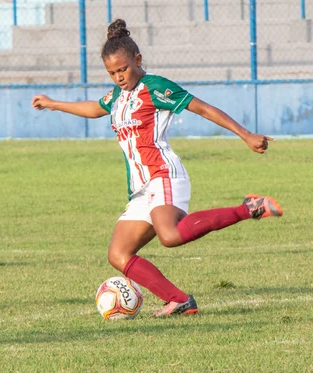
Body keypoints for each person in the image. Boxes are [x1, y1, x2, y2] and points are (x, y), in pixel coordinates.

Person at [32, 19, 283, 317]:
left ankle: (249, 207)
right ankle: (179, 300)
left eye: (123, 69)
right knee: (118, 254)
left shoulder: (156, 87)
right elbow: (94, 108)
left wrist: (245, 134)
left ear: (137, 60)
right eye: (112, 73)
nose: (119, 77)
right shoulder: (118, 96)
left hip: (163, 174)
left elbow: (202, 107)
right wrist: (52, 103)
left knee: (170, 235)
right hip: (141, 189)